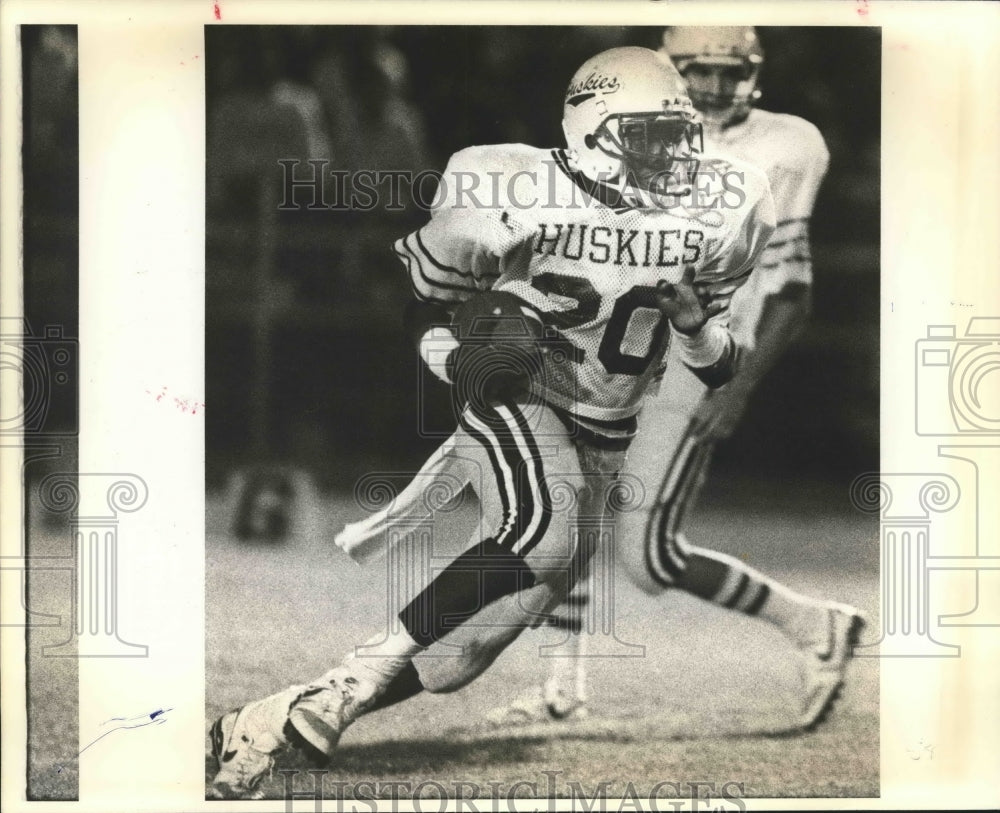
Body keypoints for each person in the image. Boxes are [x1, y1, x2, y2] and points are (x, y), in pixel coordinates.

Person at [208, 45, 774, 799]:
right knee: (546, 530)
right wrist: (460, 355)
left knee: (465, 653)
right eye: (651, 134)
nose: (675, 152)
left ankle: (278, 713)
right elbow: (422, 296)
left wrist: (696, 325)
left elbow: (719, 364)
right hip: (519, 389)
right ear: (593, 130)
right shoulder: (511, 180)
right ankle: (341, 694)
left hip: (608, 428)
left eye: (678, 134)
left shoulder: (721, 207)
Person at [486, 27, 864, 731]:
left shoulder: (786, 146)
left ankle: (817, 624)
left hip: (695, 363)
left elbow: (792, 290)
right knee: (574, 509)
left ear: (753, 73)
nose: (717, 88)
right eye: (701, 72)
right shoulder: (642, 130)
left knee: (650, 557)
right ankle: (561, 684)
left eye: (730, 72)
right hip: (620, 356)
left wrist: (736, 386)